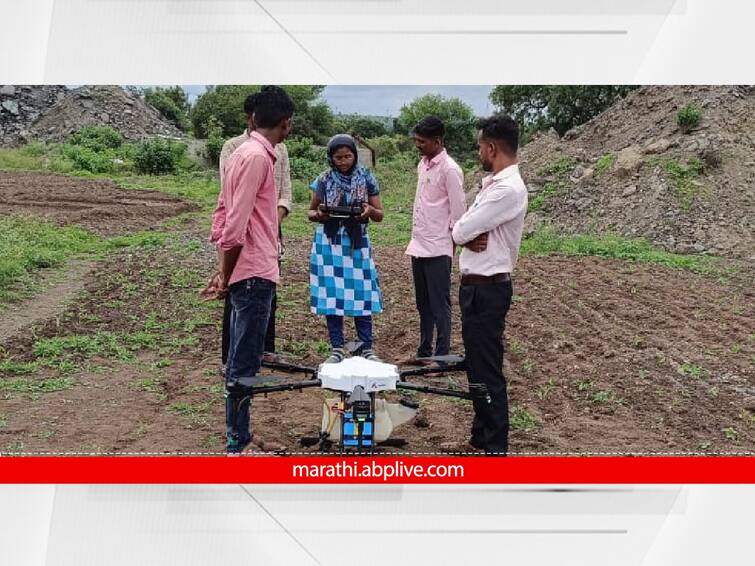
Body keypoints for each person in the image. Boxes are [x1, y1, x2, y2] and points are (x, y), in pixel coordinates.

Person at [206, 85, 294, 454]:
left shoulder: (243, 153)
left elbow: (223, 213)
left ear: (253, 117)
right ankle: (237, 446)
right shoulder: (257, 158)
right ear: (286, 123)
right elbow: (235, 227)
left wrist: (222, 270)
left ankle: (238, 434)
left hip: (249, 269)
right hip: (254, 271)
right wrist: (225, 275)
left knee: (242, 359)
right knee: (243, 364)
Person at [451, 114, 528, 456]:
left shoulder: (506, 190)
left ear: (492, 147)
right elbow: (465, 230)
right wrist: (466, 233)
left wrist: (464, 235)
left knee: (487, 370)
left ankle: (495, 449)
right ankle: (480, 438)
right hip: (477, 288)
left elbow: (459, 231)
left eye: (480, 145)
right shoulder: (494, 186)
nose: (478, 151)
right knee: (478, 366)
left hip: (487, 289)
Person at [307, 134, 384, 364]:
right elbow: (310, 213)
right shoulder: (323, 180)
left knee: (362, 292)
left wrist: (368, 211)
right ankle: (337, 347)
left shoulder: (367, 178)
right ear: (330, 158)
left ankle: (365, 346)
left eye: (347, 156)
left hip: (356, 242)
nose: (343, 161)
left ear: (355, 155)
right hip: (329, 243)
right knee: (333, 295)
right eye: (338, 157)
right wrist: (321, 213)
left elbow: (379, 214)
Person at [404, 116, 465, 363]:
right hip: (419, 244)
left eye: (422, 141)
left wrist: (450, 245)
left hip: (439, 246)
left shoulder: (450, 169)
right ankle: (423, 352)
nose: (418, 145)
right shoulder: (423, 164)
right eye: (416, 140)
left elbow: (459, 212)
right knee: (423, 304)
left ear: (437, 141)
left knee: (440, 306)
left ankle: (441, 358)